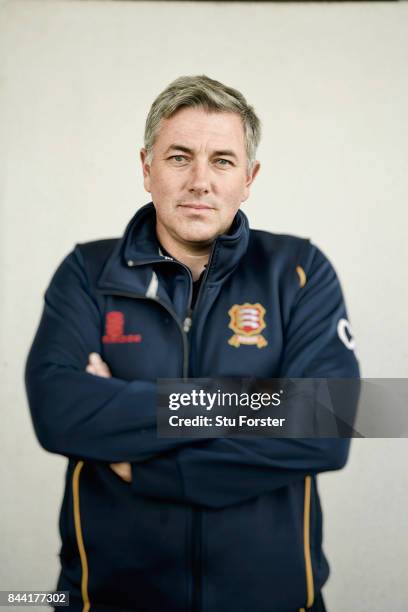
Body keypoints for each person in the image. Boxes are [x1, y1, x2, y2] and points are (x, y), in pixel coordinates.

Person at [25, 75, 359, 612]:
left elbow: (328, 427)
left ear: (249, 178)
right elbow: (57, 411)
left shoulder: (299, 271)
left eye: (222, 161)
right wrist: (255, 403)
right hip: (108, 600)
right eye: (180, 157)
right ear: (146, 168)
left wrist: (150, 461)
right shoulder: (88, 272)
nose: (200, 180)